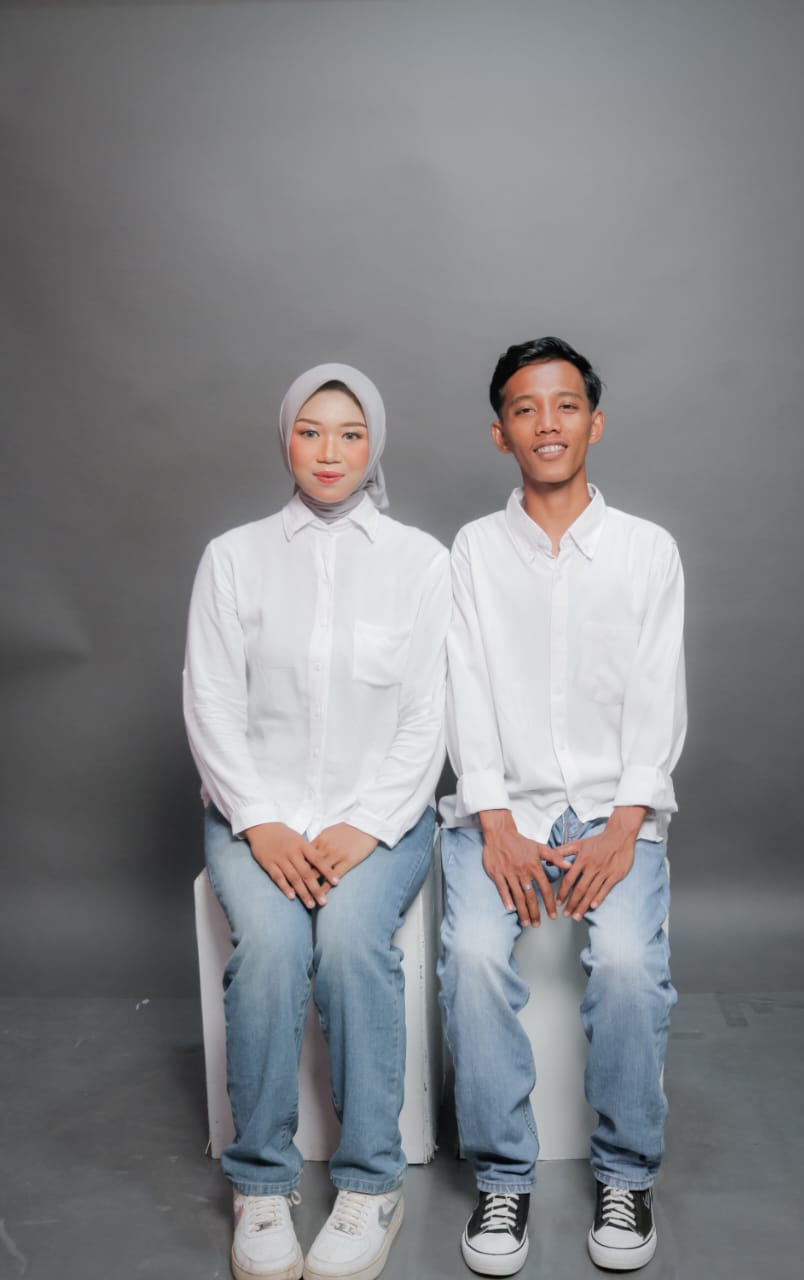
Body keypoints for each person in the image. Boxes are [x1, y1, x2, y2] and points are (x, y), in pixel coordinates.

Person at [183, 363, 450, 1280]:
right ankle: (259, 1184)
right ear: (285, 440)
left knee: (347, 943)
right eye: (310, 431)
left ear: (374, 444)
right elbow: (211, 702)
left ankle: (372, 1181)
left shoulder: (420, 561)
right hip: (253, 815)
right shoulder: (233, 556)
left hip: (380, 820)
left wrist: (367, 824)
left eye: (349, 432)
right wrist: (260, 822)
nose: (328, 451)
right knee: (265, 947)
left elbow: (427, 713)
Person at [437, 337, 686, 1275]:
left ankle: (626, 1171)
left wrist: (624, 826)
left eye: (565, 404)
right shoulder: (472, 550)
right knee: (469, 956)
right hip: (502, 808)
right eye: (525, 408)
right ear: (500, 433)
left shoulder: (646, 550)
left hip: (615, 809)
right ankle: (503, 1177)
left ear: (595, 422)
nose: (547, 423)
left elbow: (656, 694)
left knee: (625, 963)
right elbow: (463, 686)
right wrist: (494, 820)